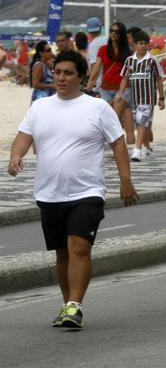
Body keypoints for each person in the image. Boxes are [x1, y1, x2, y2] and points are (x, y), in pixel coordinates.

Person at [7, 50, 138, 329]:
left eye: (68, 73)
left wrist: (125, 181)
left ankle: (74, 305)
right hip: (49, 193)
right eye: (58, 72)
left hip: (86, 192)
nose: (61, 78)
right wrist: (15, 156)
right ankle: (68, 305)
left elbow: (118, 143)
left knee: (78, 246)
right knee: (62, 253)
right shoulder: (40, 107)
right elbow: (23, 136)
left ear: (81, 77)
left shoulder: (97, 107)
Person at [117, 30, 165, 162]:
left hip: (148, 98)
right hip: (134, 98)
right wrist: (120, 94)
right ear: (135, 45)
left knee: (142, 120)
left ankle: (137, 150)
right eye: (140, 43)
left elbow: (159, 79)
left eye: (145, 43)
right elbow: (125, 78)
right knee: (140, 124)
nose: (143, 46)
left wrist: (161, 98)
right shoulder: (129, 61)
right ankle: (147, 148)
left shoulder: (152, 60)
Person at [86, 22, 136, 145]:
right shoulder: (103, 49)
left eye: (117, 32)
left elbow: (130, 72)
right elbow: (96, 68)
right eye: (111, 31)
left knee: (115, 118)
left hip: (123, 88)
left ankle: (123, 148)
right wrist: (90, 82)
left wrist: (122, 91)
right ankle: (119, 146)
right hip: (105, 88)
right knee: (115, 118)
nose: (113, 34)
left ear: (122, 34)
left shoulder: (128, 52)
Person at [85, 17, 106, 90]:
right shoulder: (107, 39)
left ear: (88, 30)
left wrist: (91, 81)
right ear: (100, 27)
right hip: (110, 80)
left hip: (99, 83)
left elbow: (95, 66)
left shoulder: (93, 45)